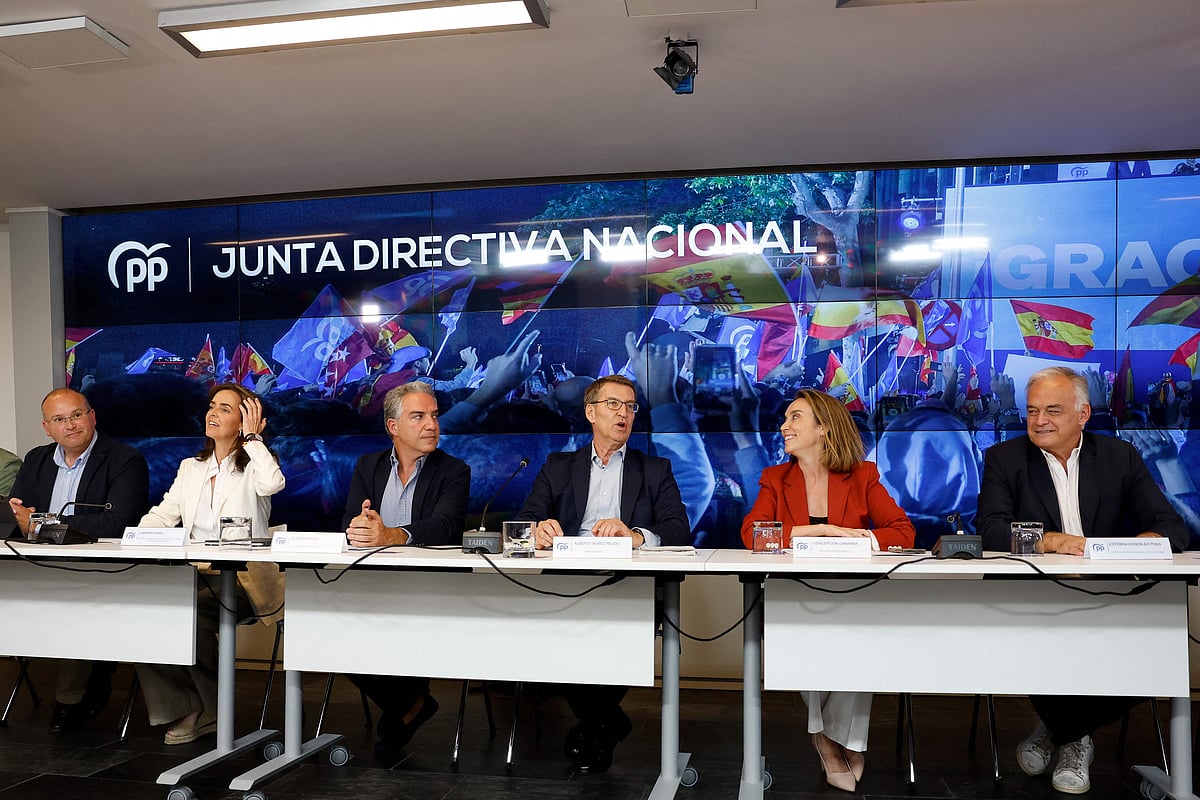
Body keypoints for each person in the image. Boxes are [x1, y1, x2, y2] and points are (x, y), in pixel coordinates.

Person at [976, 366, 1187, 795]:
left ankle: (1058, 731)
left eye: (1053, 410)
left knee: (1153, 652)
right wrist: (1050, 541)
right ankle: (1077, 738)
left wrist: (1142, 544)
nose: (1039, 421)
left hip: (1110, 595)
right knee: (1044, 639)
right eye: (1032, 411)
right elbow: (991, 531)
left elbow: (1171, 527)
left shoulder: (1118, 456)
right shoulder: (1005, 458)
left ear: (1083, 413)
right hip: (1034, 597)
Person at [739, 388, 914, 792]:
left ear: (823, 428)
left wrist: (853, 537)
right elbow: (752, 533)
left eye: (795, 417)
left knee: (860, 643)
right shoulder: (775, 479)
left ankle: (837, 739)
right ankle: (828, 740)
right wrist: (814, 530)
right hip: (793, 594)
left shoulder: (862, 475)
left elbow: (902, 532)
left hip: (855, 593)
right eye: (785, 418)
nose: (784, 426)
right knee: (803, 638)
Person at [515, 374, 691, 774]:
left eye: (630, 406)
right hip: (566, 582)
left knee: (622, 633)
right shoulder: (559, 466)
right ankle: (607, 721)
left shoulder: (655, 468)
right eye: (614, 405)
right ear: (591, 413)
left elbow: (679, 529)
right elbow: (526, 519)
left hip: (627, 584)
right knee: (552, 635)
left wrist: (636, 535)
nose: (624, 414)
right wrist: (538, 529)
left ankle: (599, 723)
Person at [134, 383, 285, 745]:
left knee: (185, 609)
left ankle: (210, 709)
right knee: (142, 611)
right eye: (212, 406)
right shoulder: (191, 467)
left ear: (248, 420)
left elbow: (274, 483)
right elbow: (163, 515)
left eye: (226, 409)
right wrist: (135, 537)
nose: (213, 413)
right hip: (195, 576)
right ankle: (192, 706)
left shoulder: (257, 464)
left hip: (244, 581)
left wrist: (252, 439)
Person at [8, 388, 149, 733]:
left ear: (92, 416)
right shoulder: (37, 459)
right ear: (47, 428)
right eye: (59, 419)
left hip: (98, 570)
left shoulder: (124, 459)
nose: (69, 425)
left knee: (78, 601)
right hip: (35, 566)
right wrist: (31, 523)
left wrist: (41, 524)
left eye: (76, 415)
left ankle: (70, 701)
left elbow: (117, 523)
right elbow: (15, 516)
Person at [341, 381, 470, 757]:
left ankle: (408, 702)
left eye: (434, 416)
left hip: (430, 585)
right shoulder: (368, 465)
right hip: (371, 582)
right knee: (328, 626)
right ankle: (410, 702)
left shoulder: (453, 470)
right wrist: (360, 528)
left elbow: (446, 526)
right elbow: (349, 520)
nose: (431, 425)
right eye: (418, 417)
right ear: (393, 426)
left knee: (400, 620)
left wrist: (392, 535)